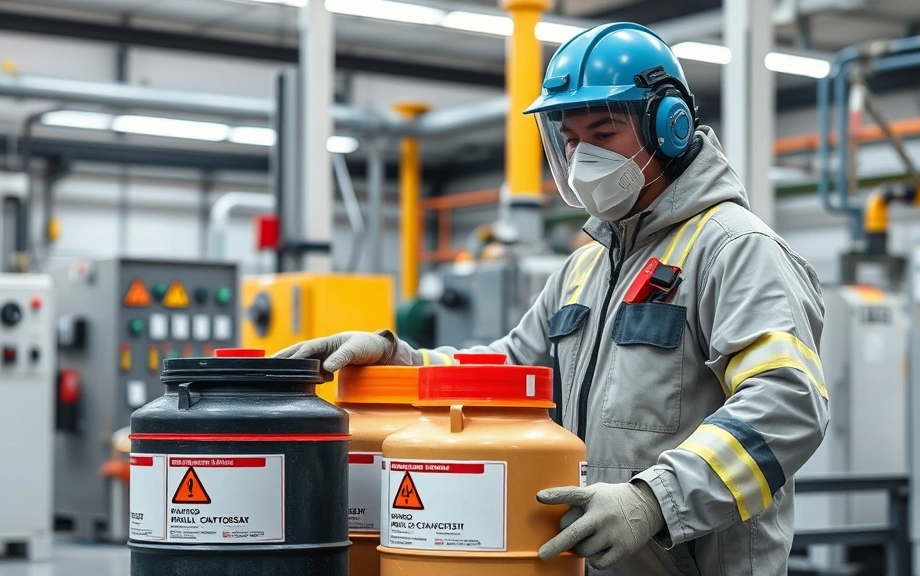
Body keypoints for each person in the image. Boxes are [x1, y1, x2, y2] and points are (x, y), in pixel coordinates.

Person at [276, 22, 828, 576]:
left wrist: (656, 500)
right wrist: (400, 361)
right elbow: (506, 371)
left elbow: (787, 403)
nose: (584, 155)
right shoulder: (583, 268)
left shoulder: (733, 250)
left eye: (604, 132)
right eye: (570, 139)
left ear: (670, 128)